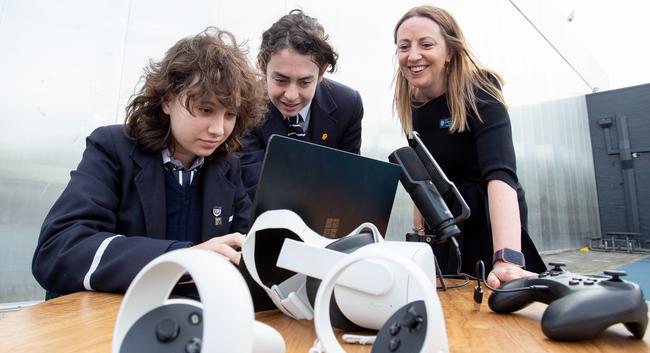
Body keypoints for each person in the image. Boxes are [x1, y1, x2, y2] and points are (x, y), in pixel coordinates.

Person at [32, 27, 267, 298]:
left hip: (185, 321)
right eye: (205, 109)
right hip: (105, 321)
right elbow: (59, 249)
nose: (218, 128)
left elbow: (245, 252)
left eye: (230, 114)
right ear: (167, 100)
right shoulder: (112, 149)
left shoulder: (226, 168)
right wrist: (179, 258)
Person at [392, 5, 546, 288]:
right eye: (404, 46)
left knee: (495, 293)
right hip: (447, 217)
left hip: (488, 214)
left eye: (426, 44)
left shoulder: (481, 91)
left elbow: (500, 176)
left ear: (449, 51)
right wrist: (420, 233)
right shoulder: (411, 102)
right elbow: (422, 177)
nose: (413, 55)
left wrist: (507, 260)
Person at [239, 9, 364, 201]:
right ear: (263, 67)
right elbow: (254, 183)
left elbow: (348, 181)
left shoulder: (348, 105)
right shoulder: (246, 104)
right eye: (280, 80)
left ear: (321, 73)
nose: (291, 95)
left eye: (304, 82)